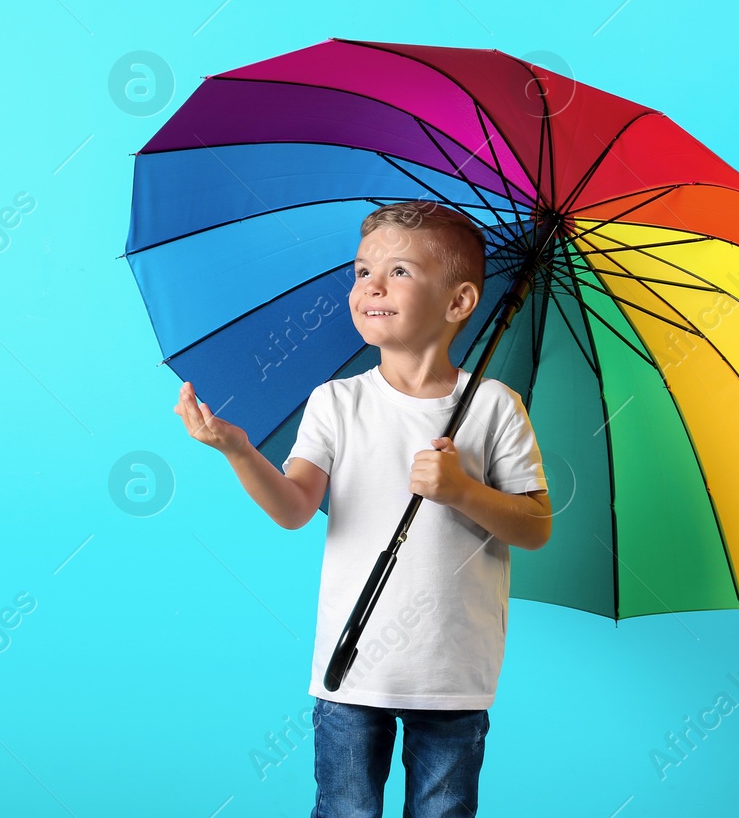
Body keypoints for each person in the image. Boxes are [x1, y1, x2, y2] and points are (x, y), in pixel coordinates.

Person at [174, 200, 551, 818]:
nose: (371, 285)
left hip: (453, 669)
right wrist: (238, 452)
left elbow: (535, 525)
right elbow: (295, 507)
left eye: (400, 272)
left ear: (459, 302)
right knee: (345, 809)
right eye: (360, 272)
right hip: (351, 665)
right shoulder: (336, 403)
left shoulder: (494, 407)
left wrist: (462, 491)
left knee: (443, 810)